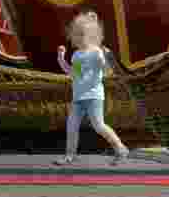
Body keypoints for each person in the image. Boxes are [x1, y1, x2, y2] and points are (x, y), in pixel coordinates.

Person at [54, 11, 129, 166]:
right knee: (71, 126)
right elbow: (73, 73)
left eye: (83, 35)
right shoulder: (77, 55)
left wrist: (107, 58)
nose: (79, 38)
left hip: (94, 96)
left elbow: (106, 70)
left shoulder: (96, 52)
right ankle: (70, 155)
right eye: (77, 35)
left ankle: (120, 148)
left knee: (99, 125)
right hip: (78, 97)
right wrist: (61, 59)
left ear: (92, 35)